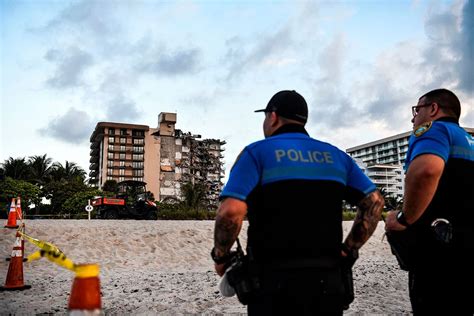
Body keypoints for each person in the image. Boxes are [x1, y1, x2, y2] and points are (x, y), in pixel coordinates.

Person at [212, 90, 384, 315]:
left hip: (272, 282)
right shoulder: (336, 156)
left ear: (273, 116)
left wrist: (221, 255)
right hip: (328, 280)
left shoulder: (257, 153)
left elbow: (231, 211)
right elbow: (374, 201)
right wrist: (348, 249)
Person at [385, 88, 474, 315]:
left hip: (439, 253)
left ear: (433, 109)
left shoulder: (434, 129)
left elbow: (426, 170)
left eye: (417, 110)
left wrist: (405, 218)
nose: (413, 117)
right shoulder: (469, 141)